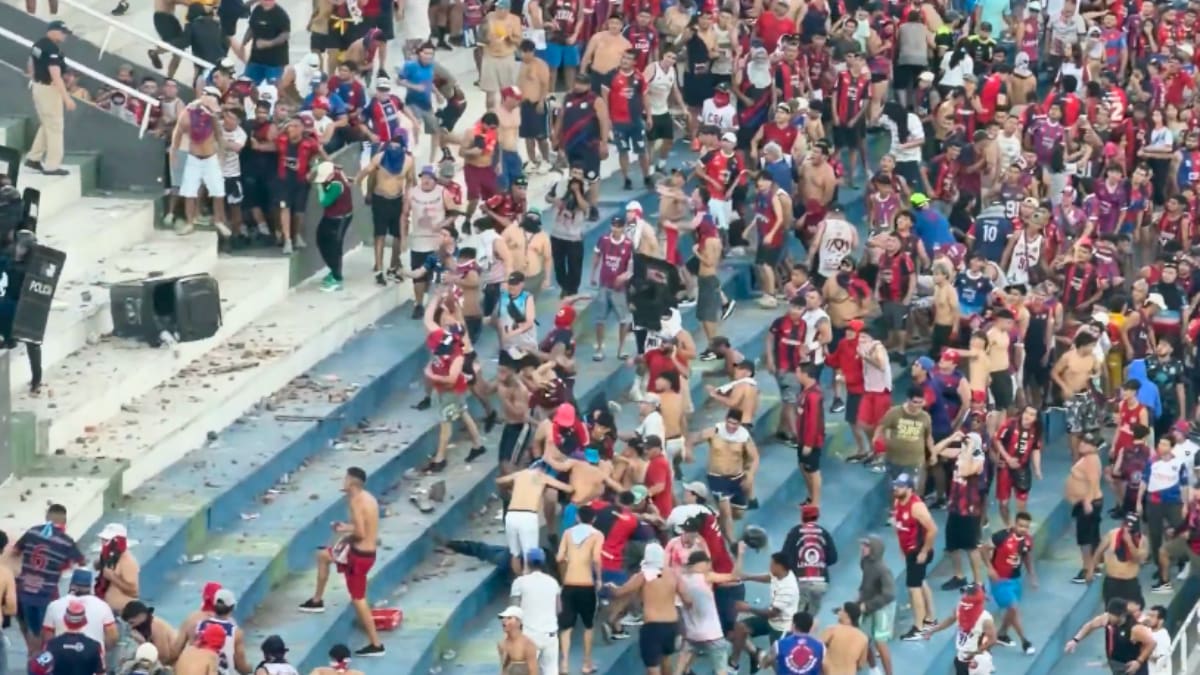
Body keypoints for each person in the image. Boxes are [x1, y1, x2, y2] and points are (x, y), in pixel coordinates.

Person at [299, 467, 385, 657]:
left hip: (358, 557)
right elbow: (364, 526)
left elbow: (360, 533)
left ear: (352, 483)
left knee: (358, 599)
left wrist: (346, 536)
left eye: (346, 479)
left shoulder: (355, 502)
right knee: (323, 556)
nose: (343, 481)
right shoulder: (367, 498)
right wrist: (346, 527)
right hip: (362, 552)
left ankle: (376, 644)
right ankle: (316, 600)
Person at [13, 503, 86, 652]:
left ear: (47, 517)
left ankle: (33, 663)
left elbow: (15, 550)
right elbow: (82, 562)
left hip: (25, 593)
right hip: (46, 595)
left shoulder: (33, 532)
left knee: (32, 631)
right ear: (64, 522)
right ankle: (47, 664)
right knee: (47, 631)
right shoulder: (66, 542)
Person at [604, 543, 679, 675]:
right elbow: (687, 598)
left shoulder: (643, 575)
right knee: (666, 661)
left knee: (653, 667)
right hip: (672, 625)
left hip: (653, 626)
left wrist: (610, 587)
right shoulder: (672, 574)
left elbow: (620, 592)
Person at [730, 551, 800, 670]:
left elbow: (772, 614)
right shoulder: (782, 573)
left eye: (772, 564)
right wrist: (748, 577)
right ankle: (736, 663)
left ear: (779, 566)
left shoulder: (788, 589)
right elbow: (769, 577)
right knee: (739, 628)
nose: (769, 566)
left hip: (781, 627)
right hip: (771, 619)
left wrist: (748, 608)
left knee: (776, 662)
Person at [981, 511, 1037, 654]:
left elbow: (1027, 558)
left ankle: (1002, 633)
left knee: (1011, 610)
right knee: (1013, 608)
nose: (1023, 529)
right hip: (1000, 579)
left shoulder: (1028, 540)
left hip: (1015, 579)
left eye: (1026, 527)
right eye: (1020, 525)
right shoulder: (1002, 536)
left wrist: (1032, 576)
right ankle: (1025, 641)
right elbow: (983, 549)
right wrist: (990, 568)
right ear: (1015, 524)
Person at [24, 20, 74, 177]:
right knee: (55, 127)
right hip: (49, 89)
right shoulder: (52, 48)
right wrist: (67, 98)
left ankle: (34, 157)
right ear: (52, 31)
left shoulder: (39, 44)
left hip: (38, 87)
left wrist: (34, 77)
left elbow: (31, 63)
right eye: (62, 32)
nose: (64, 35)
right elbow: (55, 74)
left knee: (46, 124)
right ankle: (52, 166)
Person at [891, 473, 938, 640]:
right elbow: (899, 527)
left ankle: (918, 628)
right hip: (909, 551)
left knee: (914, 588)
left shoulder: (917, 507)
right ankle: (930, 618)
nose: (896, 488)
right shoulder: (897, 501)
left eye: (901, 486)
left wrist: (924, 551)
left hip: (918, 551)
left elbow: (933, 529)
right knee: (921, 582)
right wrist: (901, 549)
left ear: (910, 489)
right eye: (896, 485)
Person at [1064, 598, 1155, 675]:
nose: (1109, 618)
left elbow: (1151, 643)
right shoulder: (1107, 618)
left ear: (1122, 615)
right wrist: (1075, 640)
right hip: (1116, 664)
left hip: (1132, 667)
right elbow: (1090, 625)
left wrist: (1139, 662)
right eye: (1109, 614)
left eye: (1112, 616)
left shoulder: (1134, 629)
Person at [925, 584, 996, 675]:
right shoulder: (960, 607)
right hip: (961, 656)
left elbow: (992, 639)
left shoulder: (985, 618)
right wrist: (933, 630)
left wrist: (976, 652)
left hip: (977, 659)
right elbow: (951, 618)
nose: (965, 599)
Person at [509, 549, 560, 675]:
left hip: (529, 635)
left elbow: (513, 612)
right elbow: (559, 609)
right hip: (550, 635)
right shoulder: (553, 582)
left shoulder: (519, 582)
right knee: (551, 671)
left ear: (527, 563)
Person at [42, 570, 117, 653]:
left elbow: (47, 638)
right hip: (92, 658)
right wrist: (102, 650)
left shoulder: (54, 606)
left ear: (71, 585)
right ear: (90, 587)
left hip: (61, 658)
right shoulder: (103, 606)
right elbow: (112, 637)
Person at [312, 161, 356, 292]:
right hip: (330, 216)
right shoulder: (337, 172)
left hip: (340, 218)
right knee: (321, 240)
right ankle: (333, 270)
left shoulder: (336, 185)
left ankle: (337, 278)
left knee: (334, 246)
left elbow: (324, 201)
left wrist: (320, 186)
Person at [1088, 513, 1148, 609]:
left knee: (1134, 610)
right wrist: (1091, 569)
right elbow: (1098, 552)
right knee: (1111, 611)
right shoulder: (1112, 534)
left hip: (1129, 583)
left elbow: (1138, 559)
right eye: (1126, 526)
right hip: (1112, 581)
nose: (1127, 530)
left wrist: (1129, 542)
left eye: (1130, 528)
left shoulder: (1142, 540)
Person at [857, 535, 895, 675]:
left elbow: (889, 594)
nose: (862, 548)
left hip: (883, 607)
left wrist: (867, 605)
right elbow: (866, 584)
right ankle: (873, 669)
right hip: (867, 602)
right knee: (863, 637)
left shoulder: (883, 569)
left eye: (866, 546)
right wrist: (860, 600)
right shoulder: (864, 562)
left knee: (880, 641)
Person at [42, 600, 105, 675]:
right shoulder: (94, 646)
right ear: (84, 622)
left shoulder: (51, 645)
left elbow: (42, 670)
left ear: (65, 621)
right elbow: (100, 673)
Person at [765, 611, 825, 675]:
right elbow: (823, 669)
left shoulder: (779, 644)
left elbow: (766, 663)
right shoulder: (821, 647)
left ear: (793, 625)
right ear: (810, 628)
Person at [821, 603, 869, 675]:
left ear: (847, 614)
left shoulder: (832, 630)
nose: (839, 612)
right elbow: (861, 664)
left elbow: (816, 651)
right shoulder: (863, 638)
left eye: (841, 610)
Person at [497, 606, 541, 674]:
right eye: (503, 618)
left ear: (519, 622)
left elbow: (534, 672)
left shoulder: (527, 645)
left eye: (509, 618)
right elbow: (504, 670)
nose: (504, 620)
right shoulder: (502, 644)